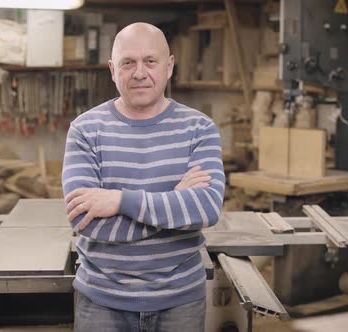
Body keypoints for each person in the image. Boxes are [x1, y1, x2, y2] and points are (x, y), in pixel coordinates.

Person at [62, 22, 225, 332]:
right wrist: (174, 205)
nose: (139, 72)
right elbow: (86, 220)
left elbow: (205, 209)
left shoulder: (199, 129)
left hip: (181, 303)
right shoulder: (85, 130)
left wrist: (119, 200)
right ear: (112, 69)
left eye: (150, 61)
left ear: (169, 66)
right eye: (128, 62)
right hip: (102, 304)